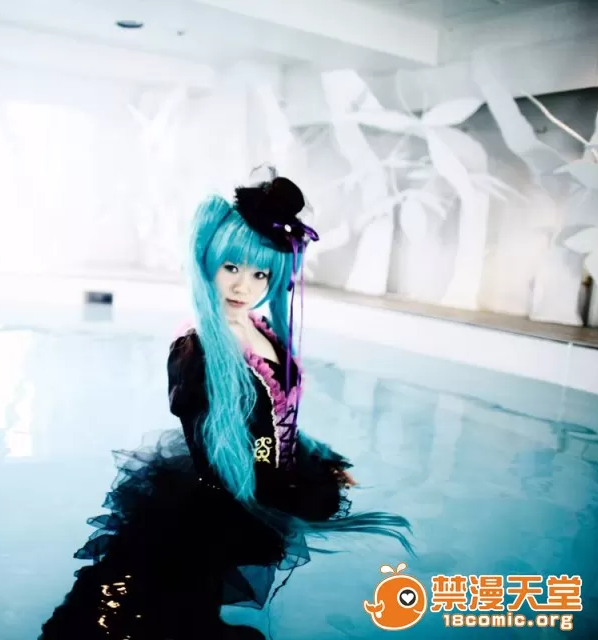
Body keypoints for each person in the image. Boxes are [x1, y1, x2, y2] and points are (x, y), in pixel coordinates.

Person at [39, 176, 413, 639]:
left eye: (260, 274)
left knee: (196, 591)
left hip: (254, 487)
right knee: (139, 598)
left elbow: (276, 416)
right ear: (209, 263)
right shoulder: (197, 351)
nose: (243, 285)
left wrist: (316, 459)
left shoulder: (260, 327)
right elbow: (216, 450)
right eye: (231, 266)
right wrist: (272, 493)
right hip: (215, 496)